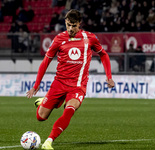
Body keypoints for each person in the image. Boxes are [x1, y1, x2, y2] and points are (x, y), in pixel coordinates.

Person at [26, 9, 115, 150]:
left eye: (74, 25)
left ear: (79, 24)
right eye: (68, 25)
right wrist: (36, 85)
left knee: (69, 110)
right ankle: (45, 101)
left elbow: (103, 55)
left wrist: (109, 77)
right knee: (41, 117)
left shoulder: (89, 38)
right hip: (59, 83)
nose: (71, 29)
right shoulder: (59, 39)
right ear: (65, 23)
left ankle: (49, 141)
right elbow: (45, 62)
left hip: (78, 86)